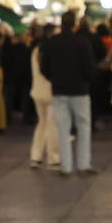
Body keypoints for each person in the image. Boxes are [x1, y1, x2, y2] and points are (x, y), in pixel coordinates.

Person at [40, 9, 97, 176]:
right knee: (83, 126)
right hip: (80, 90)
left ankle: (65, 166)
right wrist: (87, 79)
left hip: (59, 90)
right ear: (75, 24)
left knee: (63, 128)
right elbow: (89, 67)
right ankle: (83, 164)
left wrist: (54, 79)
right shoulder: (82, 42)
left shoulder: (53, 42)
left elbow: (44, 67)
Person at [28, 25, 61, 169]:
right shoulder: (52, 50)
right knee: (52, 124)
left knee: (41, 123)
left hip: (37, 91)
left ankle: (35, 156)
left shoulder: (36, 50)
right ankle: (53, 158)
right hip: (51, 92)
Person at [2, 29, 33, 125]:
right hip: (24, 78)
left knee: (9, 99)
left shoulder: (10, 50)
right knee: (25, 99)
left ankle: (7, 118)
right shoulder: (28, 50)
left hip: (11, 78)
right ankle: (26, 118)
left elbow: (5, 63)